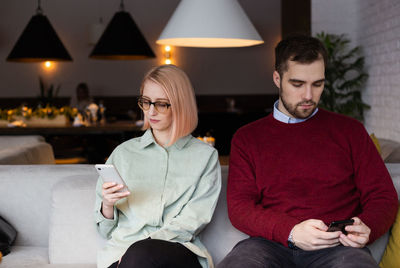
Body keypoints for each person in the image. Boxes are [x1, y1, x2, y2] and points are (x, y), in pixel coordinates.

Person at [218, 34, 398, 268]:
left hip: (338, 247)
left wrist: (368, 225)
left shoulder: (350, 131)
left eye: (318, 84)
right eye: (297, 84)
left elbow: (383, 196)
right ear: (277, 78)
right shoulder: (247, 138)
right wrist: (291, 231)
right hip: (268, 246)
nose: (308, 96)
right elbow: (240, 207)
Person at [94, 65, 221, 268]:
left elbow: (192, 221)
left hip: (177, 252)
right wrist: (107, 205)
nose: (151, 111)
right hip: (121, 255)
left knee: (140, 254)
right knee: (137, 256)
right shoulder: (123, 154)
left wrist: (139, 249)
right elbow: (104, 230)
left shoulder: (205, 157)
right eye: (146, 102)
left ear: (181, 104)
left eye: (161, 104)